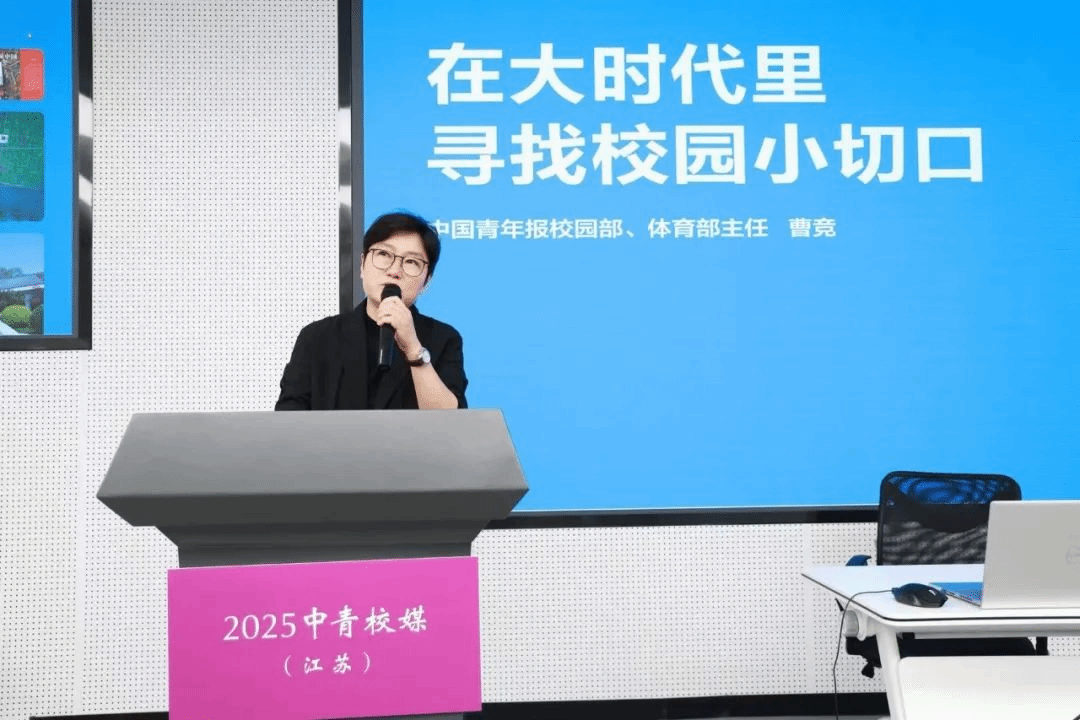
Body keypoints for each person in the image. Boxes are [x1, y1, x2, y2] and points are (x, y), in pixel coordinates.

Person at [275, 211, 466, 410]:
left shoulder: (444, 339)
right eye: (384, 254)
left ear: (426, 281)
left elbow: (451, 420)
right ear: (362, 264)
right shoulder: (318, 337)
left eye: (411, 262)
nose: (394, 271)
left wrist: (413, 348)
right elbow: (288, 417)